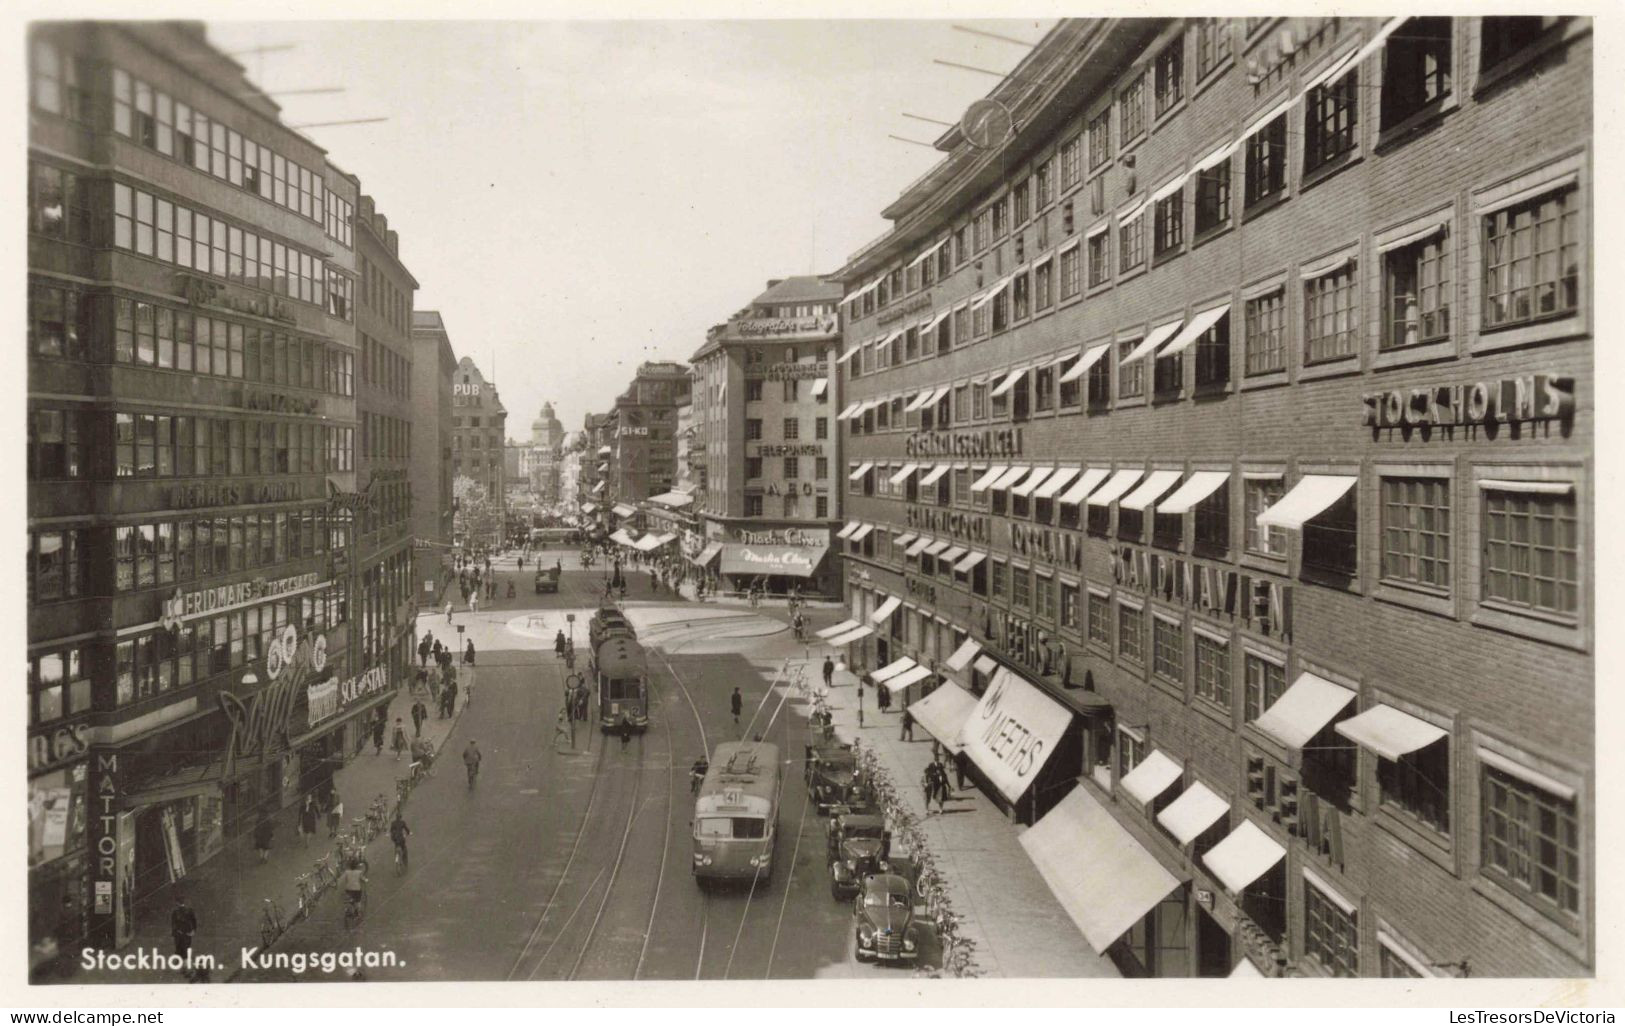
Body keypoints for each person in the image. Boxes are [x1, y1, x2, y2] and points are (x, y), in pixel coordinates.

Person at [171, 893, 198, 959]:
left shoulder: (175, 912)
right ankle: (183, 962)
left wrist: (175, 932)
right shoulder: (189, 910)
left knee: (180, 949)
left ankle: (182, 962)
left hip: (181, 933)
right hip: (186, 933)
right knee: (185, 949)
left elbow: (173, 923)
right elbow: (194, 921)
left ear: (177, 903)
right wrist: (193, 930)